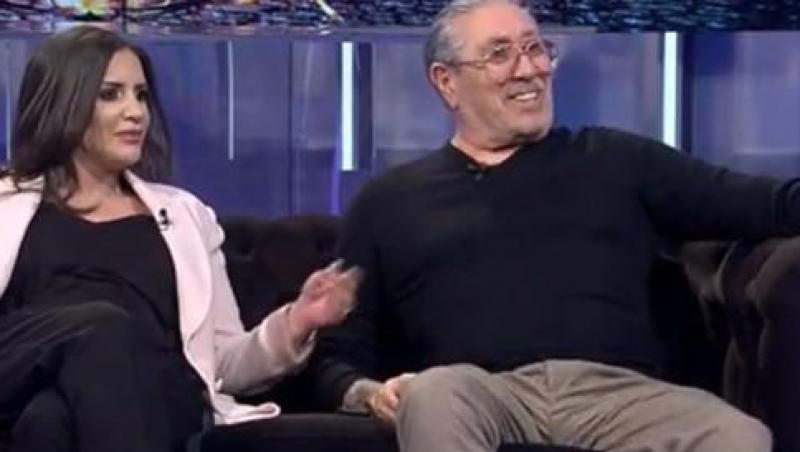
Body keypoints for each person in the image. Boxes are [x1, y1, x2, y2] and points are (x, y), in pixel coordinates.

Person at [309, 1, 800, 451]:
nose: (529, 69)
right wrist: (368, 393)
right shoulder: (388, 201)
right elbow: (334, 355)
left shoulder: (614, 159)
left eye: (536, 48)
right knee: (434, 392)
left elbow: (765, 203)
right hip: (479, 394)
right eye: (500, 54)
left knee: (738, 435)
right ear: (446, 81)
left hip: (619, 396)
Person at [0, 26, 360, 452]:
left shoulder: (185, 216)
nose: (136, 112)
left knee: (48, 419)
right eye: (111, 94)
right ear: (63, 102)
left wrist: (295, 322)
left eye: (141, 95)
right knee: (99, 326)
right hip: (23, 379)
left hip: (154, 395)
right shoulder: (7, 206)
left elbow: (222, 362)